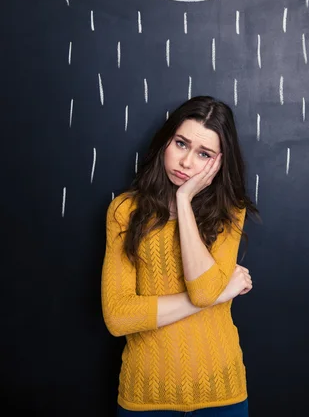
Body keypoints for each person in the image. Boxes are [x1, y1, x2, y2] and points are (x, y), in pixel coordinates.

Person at [101, 96, 261, 416]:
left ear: (219, 163)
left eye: (204, 154)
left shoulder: (230, 213)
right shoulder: (125, 211)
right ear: (166, 142)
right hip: (144, 396)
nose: (186, 162)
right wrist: (220, 294)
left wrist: (184, 200)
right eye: (181, 144)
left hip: (221, 395)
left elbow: (202, 290)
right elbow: (118, 317)